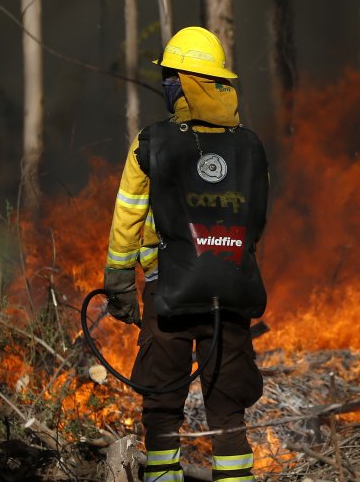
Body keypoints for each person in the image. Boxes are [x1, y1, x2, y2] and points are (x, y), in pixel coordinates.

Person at [103, 26, 268, 482]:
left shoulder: (151, 143)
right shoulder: (250, 146)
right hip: (230, 294)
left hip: (167, 296)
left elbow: (128, 216)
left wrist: (119, 281)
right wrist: (222, 256)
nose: (166, 84)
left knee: (161, 403)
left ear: (185, 83)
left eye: (170, 76)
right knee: (228, 407)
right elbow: (256, 219)